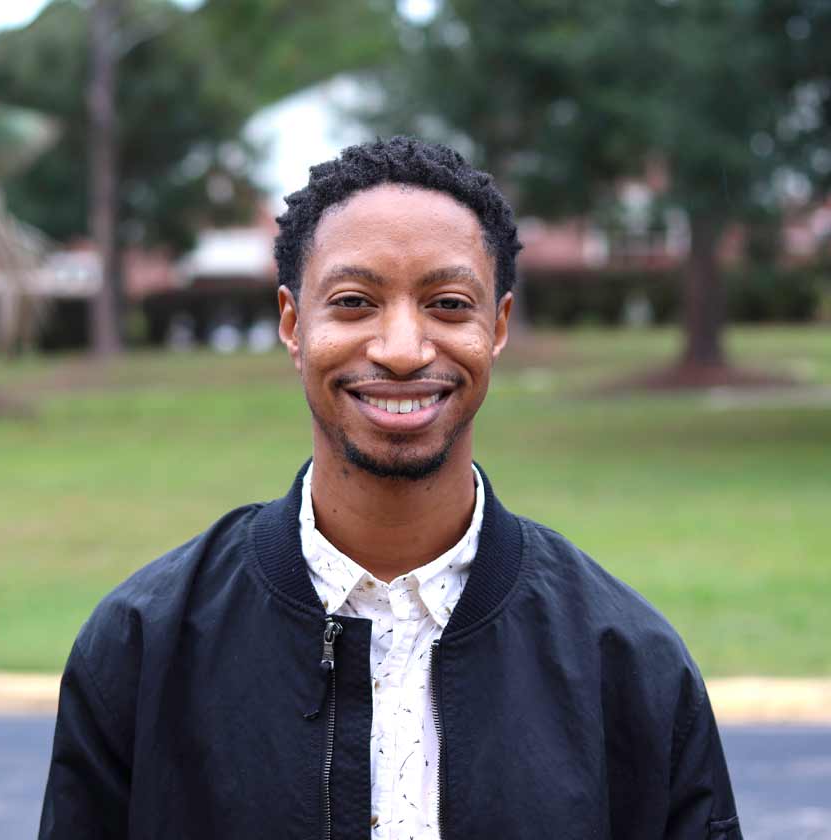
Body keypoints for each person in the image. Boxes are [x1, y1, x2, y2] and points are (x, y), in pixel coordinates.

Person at [40, 136, 742, 840]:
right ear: (293, 324)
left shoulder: (627, 663)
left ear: (496, 326)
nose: (402, 349)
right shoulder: (143, 646)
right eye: (353, 302)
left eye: (446, 303)